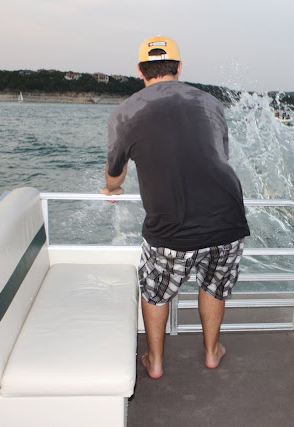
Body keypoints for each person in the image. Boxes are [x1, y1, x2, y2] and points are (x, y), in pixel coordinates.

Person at [101, 35, 250, 377]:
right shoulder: (210, 102)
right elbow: (219, 155)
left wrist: (112, 187)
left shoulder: (125, 112)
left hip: (170, 229)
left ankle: (155, 362)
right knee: (214, 286)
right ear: (179, 67)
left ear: (140, 70)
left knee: (155, 293)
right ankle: (211, 352)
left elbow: (114, 172)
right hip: (227, 220)